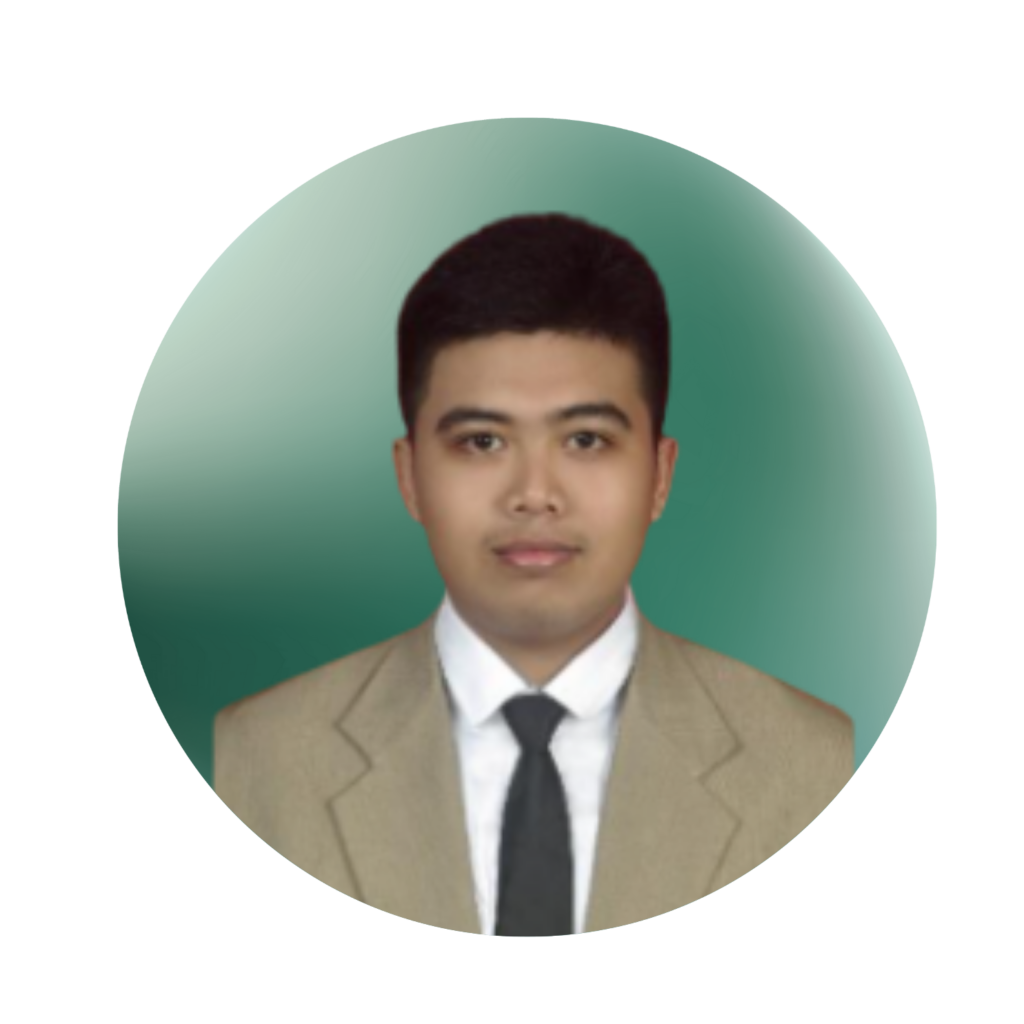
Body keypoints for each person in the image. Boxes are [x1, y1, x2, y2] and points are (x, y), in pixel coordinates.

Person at [213, 213, 853, 935]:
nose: (534, 493)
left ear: (660, 476)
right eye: (482, 442)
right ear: (410, 476)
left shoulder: (815, 763)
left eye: (586, 439)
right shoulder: (256, 758)